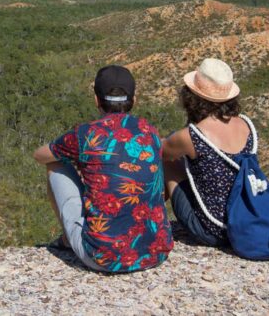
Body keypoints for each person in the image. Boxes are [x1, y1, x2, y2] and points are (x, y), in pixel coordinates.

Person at [32, 65, 173, 272]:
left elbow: (40, 155)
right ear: (134, 100)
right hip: (156, 252)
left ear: (97, 100)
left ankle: (68, 238)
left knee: (55, 163)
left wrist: (78, 158)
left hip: (102, 258)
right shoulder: (150, 132)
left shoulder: (86, 134)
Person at [162, 58, 257, 248]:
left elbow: (161, 151)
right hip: (243, 223)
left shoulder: (192, 136)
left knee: (167, 162)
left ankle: (144, 216)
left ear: (191, 97)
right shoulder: (247, 125)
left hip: (212, 231)